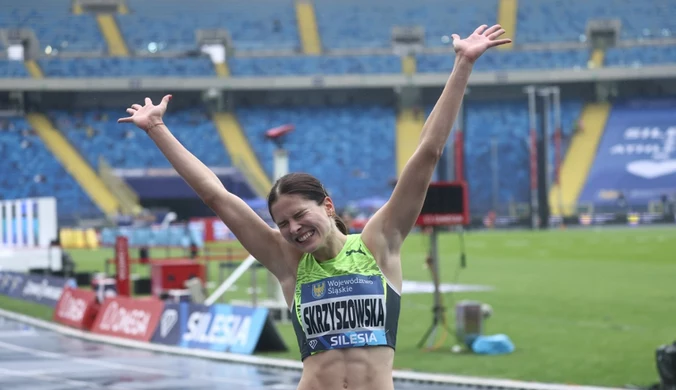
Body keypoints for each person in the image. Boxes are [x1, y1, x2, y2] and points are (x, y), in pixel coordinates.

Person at [118, 23, 510, 390]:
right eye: (282, 222)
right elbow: (216, 196)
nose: (292, 228)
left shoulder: (377, 243)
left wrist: (463, 64)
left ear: (327, 205)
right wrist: (156, 128)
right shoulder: (287, 260)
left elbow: (427, 153)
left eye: (299, 215)